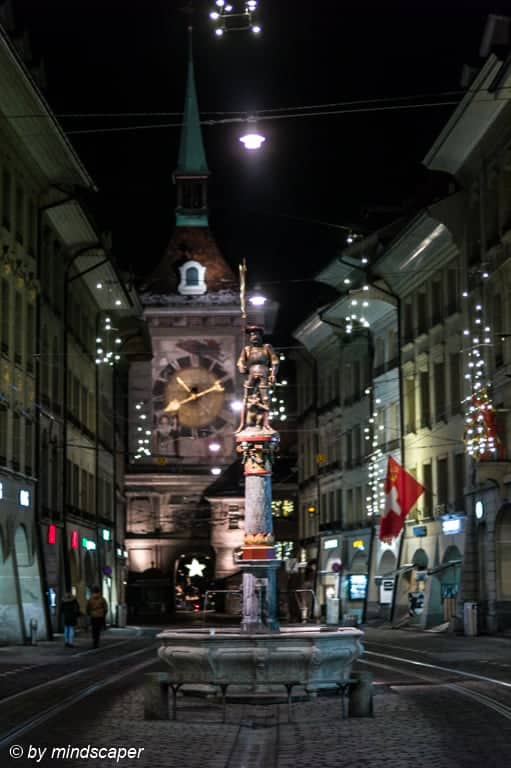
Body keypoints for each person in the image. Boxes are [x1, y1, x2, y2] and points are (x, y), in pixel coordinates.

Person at [236, 325, 279, 431]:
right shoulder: (247, 349)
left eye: (256, 334)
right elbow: (240, 362)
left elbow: (275, 362)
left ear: (261, 336)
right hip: (251, 373)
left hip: (263, 372)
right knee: (247, 398)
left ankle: (266, 424)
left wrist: (273, 374)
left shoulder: (267, 347)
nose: (254, 336)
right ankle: (243, 424)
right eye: (252, 335)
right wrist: (242, 367)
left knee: (265, 398)